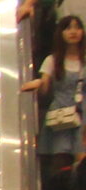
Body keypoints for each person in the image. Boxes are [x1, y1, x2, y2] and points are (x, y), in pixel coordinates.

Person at [26, 15, 86, 176]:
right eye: (68, 28)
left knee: (82, 162)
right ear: (61, 33)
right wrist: (38, 83)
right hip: (61, 115)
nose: (73, 32)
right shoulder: (52, 60)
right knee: (61, 160)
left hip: (83, 114)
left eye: (77, 27)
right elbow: (45, 86)